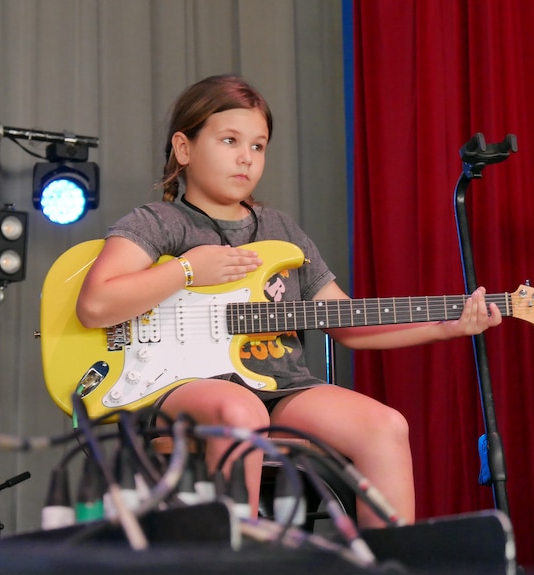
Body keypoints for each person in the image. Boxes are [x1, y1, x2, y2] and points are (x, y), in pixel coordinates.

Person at [76, 74, 501, 528]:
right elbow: (96, 305)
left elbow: (347, 323)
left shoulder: (281, 230)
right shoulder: (160, 222)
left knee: (386, 425)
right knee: (241, 411)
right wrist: (186, 271)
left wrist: (450, 326)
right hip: (178, 387)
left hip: (281, 388)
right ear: (184, 148)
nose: (246, 158)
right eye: (229, 140)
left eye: (258, 146)